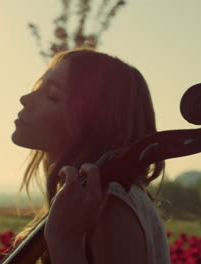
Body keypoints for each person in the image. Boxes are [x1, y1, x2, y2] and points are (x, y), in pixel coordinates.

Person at [11, 48, 171, 264]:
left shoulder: (111, 207)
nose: (25, 99)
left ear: (92, 123)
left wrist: (65, 241)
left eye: (52, 95)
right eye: (38, 87)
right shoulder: (86, 198)